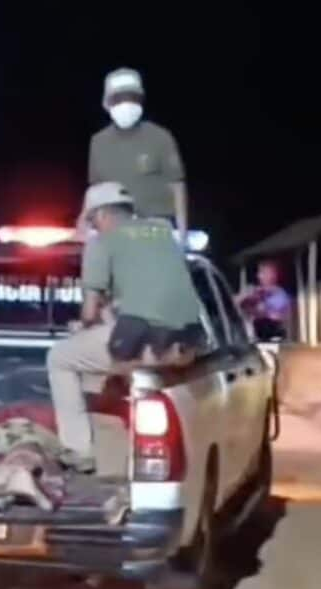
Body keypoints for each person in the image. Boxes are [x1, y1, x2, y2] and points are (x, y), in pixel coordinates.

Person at [47, 183, 206, 472]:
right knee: (113, 349)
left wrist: (81, 324)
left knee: (60, 357)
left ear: (102, 214)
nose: (92, 226)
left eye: (92, 220)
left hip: (147, 345)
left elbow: (90, 311)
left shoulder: (102, 242)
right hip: (188, 343)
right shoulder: (161, 231)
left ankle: (79, 450)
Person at [87, 68, 188, 232]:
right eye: (118, 99)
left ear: (141, 101)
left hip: (157, 227)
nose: (126, 104)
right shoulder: (98, 142)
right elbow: (95, 191)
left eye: (132, 97)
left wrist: (182, 232)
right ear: (106, 104)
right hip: (114, 229)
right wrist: (85, 224)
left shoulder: (161, 137)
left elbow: (177, 187)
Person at [239, 259, 292, 341]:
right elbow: (237, 303)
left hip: (272, 336)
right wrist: (245, 296)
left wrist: (256, 310)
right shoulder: (255, 291)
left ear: (272, 275)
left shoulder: (280, 295)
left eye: (262, 273)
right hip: (255, 336)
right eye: (259, 273)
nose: (259, 276)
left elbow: (276, 316)